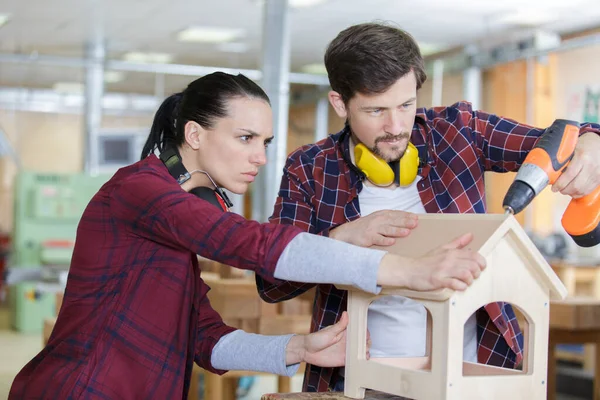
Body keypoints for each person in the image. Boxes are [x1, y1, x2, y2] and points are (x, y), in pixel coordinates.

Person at [9, 72, 487, 400]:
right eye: (245, 138)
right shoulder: (138, 190)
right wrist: (410, 271)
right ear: (194, 135)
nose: (260, 157)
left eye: (265, 143)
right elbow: (250, 244)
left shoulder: (175, 218)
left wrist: (299, 349)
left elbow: (206, 340)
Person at [257, 22, 600, 392]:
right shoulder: (308, 167)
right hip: (355, 378)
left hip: (473, 371)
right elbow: (271, 284)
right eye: (375, 111)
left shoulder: (460, 131)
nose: (395, 126)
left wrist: (591, 141)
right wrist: (336, 241)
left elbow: (561, 140)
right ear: (340, 103)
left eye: (406, 104)